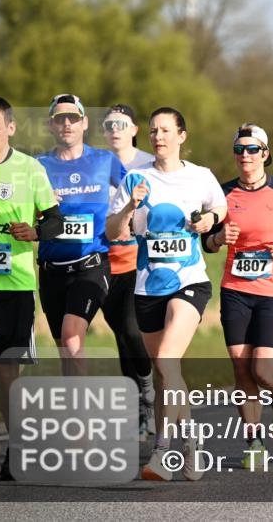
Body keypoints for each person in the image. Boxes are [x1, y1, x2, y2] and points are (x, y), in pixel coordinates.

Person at [107, 107, 227, 482]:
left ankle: (161, 451)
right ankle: (191, 440)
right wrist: (130, 206)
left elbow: (220, 206)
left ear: (181, 136)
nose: (158, 136)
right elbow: (112, 231)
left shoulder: (200, 176)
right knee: (166, 374)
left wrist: (210, 221)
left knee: (165, 361)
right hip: (147, 287)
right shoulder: (135, 178)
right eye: (154, 131)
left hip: (189, 281)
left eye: (165, 130)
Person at [204, 125, 273, 471]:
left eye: (252, 149)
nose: (245, 156)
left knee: (262, 369)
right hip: (235, 291)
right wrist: (219, 238)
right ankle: (254, 441)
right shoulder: (222, 194)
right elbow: (207, 243)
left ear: (265, 154)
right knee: (241, 370)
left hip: (272, 292)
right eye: (239, 149)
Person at [0, 97, 63, 481]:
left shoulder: (30, 169)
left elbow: (56, 221)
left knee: (7, 376)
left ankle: (18, 446)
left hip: (17, 289)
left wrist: (35, 232)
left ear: (10, 127)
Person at [36, 95, 125, 377]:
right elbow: (21, 211)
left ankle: (82, 404)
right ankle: (74, 401)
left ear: (84, 123)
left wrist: (127, 219)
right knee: (65, 349)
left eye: (73, 118)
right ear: (50, 125)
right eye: (60, 118)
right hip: (51, 270)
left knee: (72, 337)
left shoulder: (104, 160)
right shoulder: (37, 166)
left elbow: (134, 191)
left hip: (91, 264)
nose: (67, 124)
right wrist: (39, 205)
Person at [101, 104, 156, 439]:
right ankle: (139, 409)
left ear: (134, 129)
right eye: (109, 125)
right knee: (122, 336)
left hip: (139, 260)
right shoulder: (96, 165)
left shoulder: (149, 165)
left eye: (121, 124)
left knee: (134, 332)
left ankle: (149, 396)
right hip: (105, 260)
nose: (115, 130)